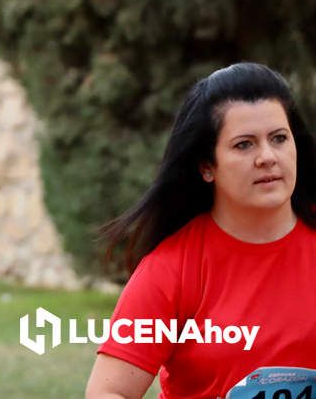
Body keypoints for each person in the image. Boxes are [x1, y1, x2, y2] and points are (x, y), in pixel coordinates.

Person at [85, 62, 316, 398]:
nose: (267, 156)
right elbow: (108, 392)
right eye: (244, 144)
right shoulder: (171, 269)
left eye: (279, 138)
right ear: (207, 166)